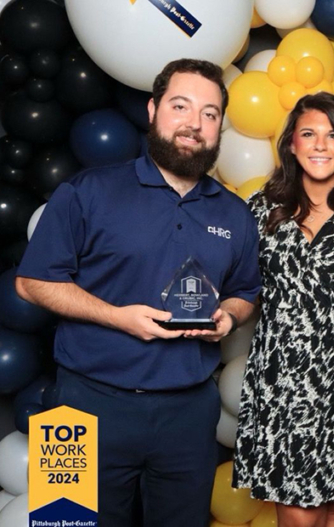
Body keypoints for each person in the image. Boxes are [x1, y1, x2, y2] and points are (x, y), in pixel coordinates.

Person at [15, 59, 260, 527]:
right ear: (153, 110)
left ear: (220, 126)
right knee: (62, 523)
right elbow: (31, 282)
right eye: (181, 106)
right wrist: (116, 316)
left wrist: (228, 317)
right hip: (80, 402)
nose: (195, 123)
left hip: (188, 413)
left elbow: (245, 291)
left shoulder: (234, 215)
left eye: (210, 113)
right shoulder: (88, 191)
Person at [233, 92, 334, 527]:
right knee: (298, 514)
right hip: (284, 382)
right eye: (309, 134)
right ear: (291, 144)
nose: (321, 145)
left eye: (332, 134)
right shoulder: (261, 210)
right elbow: (239, 288)